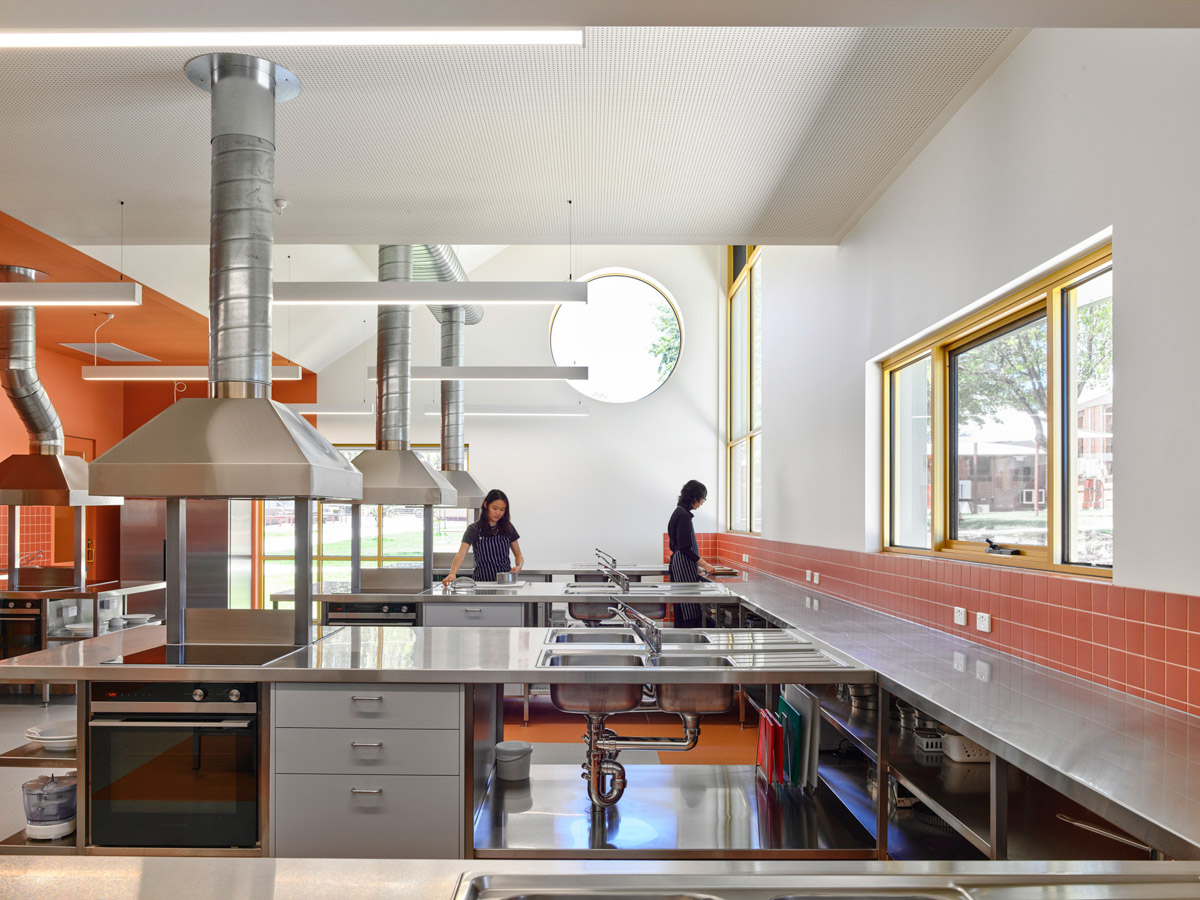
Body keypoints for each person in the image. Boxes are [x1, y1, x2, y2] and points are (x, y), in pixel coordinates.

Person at [442, 489, 524, 585]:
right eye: (494, 508)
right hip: (481, 583)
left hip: (504, 583)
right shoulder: (474, 529)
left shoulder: (508, 527)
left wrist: (519, 566)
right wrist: (452, 573)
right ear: (486, 505)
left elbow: (518, 554)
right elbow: (461, 554)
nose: (498, 513)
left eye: (502, 510)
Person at [667, 479, 717, 628]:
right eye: (702, 499)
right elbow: (685, 548)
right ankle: (687, 638)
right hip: (683, 565)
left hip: (682, 564)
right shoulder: (683, 516)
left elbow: (676, 545)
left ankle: (684, 637)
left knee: (684, 603)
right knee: (687, 606)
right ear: (694, 498)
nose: (701, 503)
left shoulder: (679, 512)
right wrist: (705, 564)